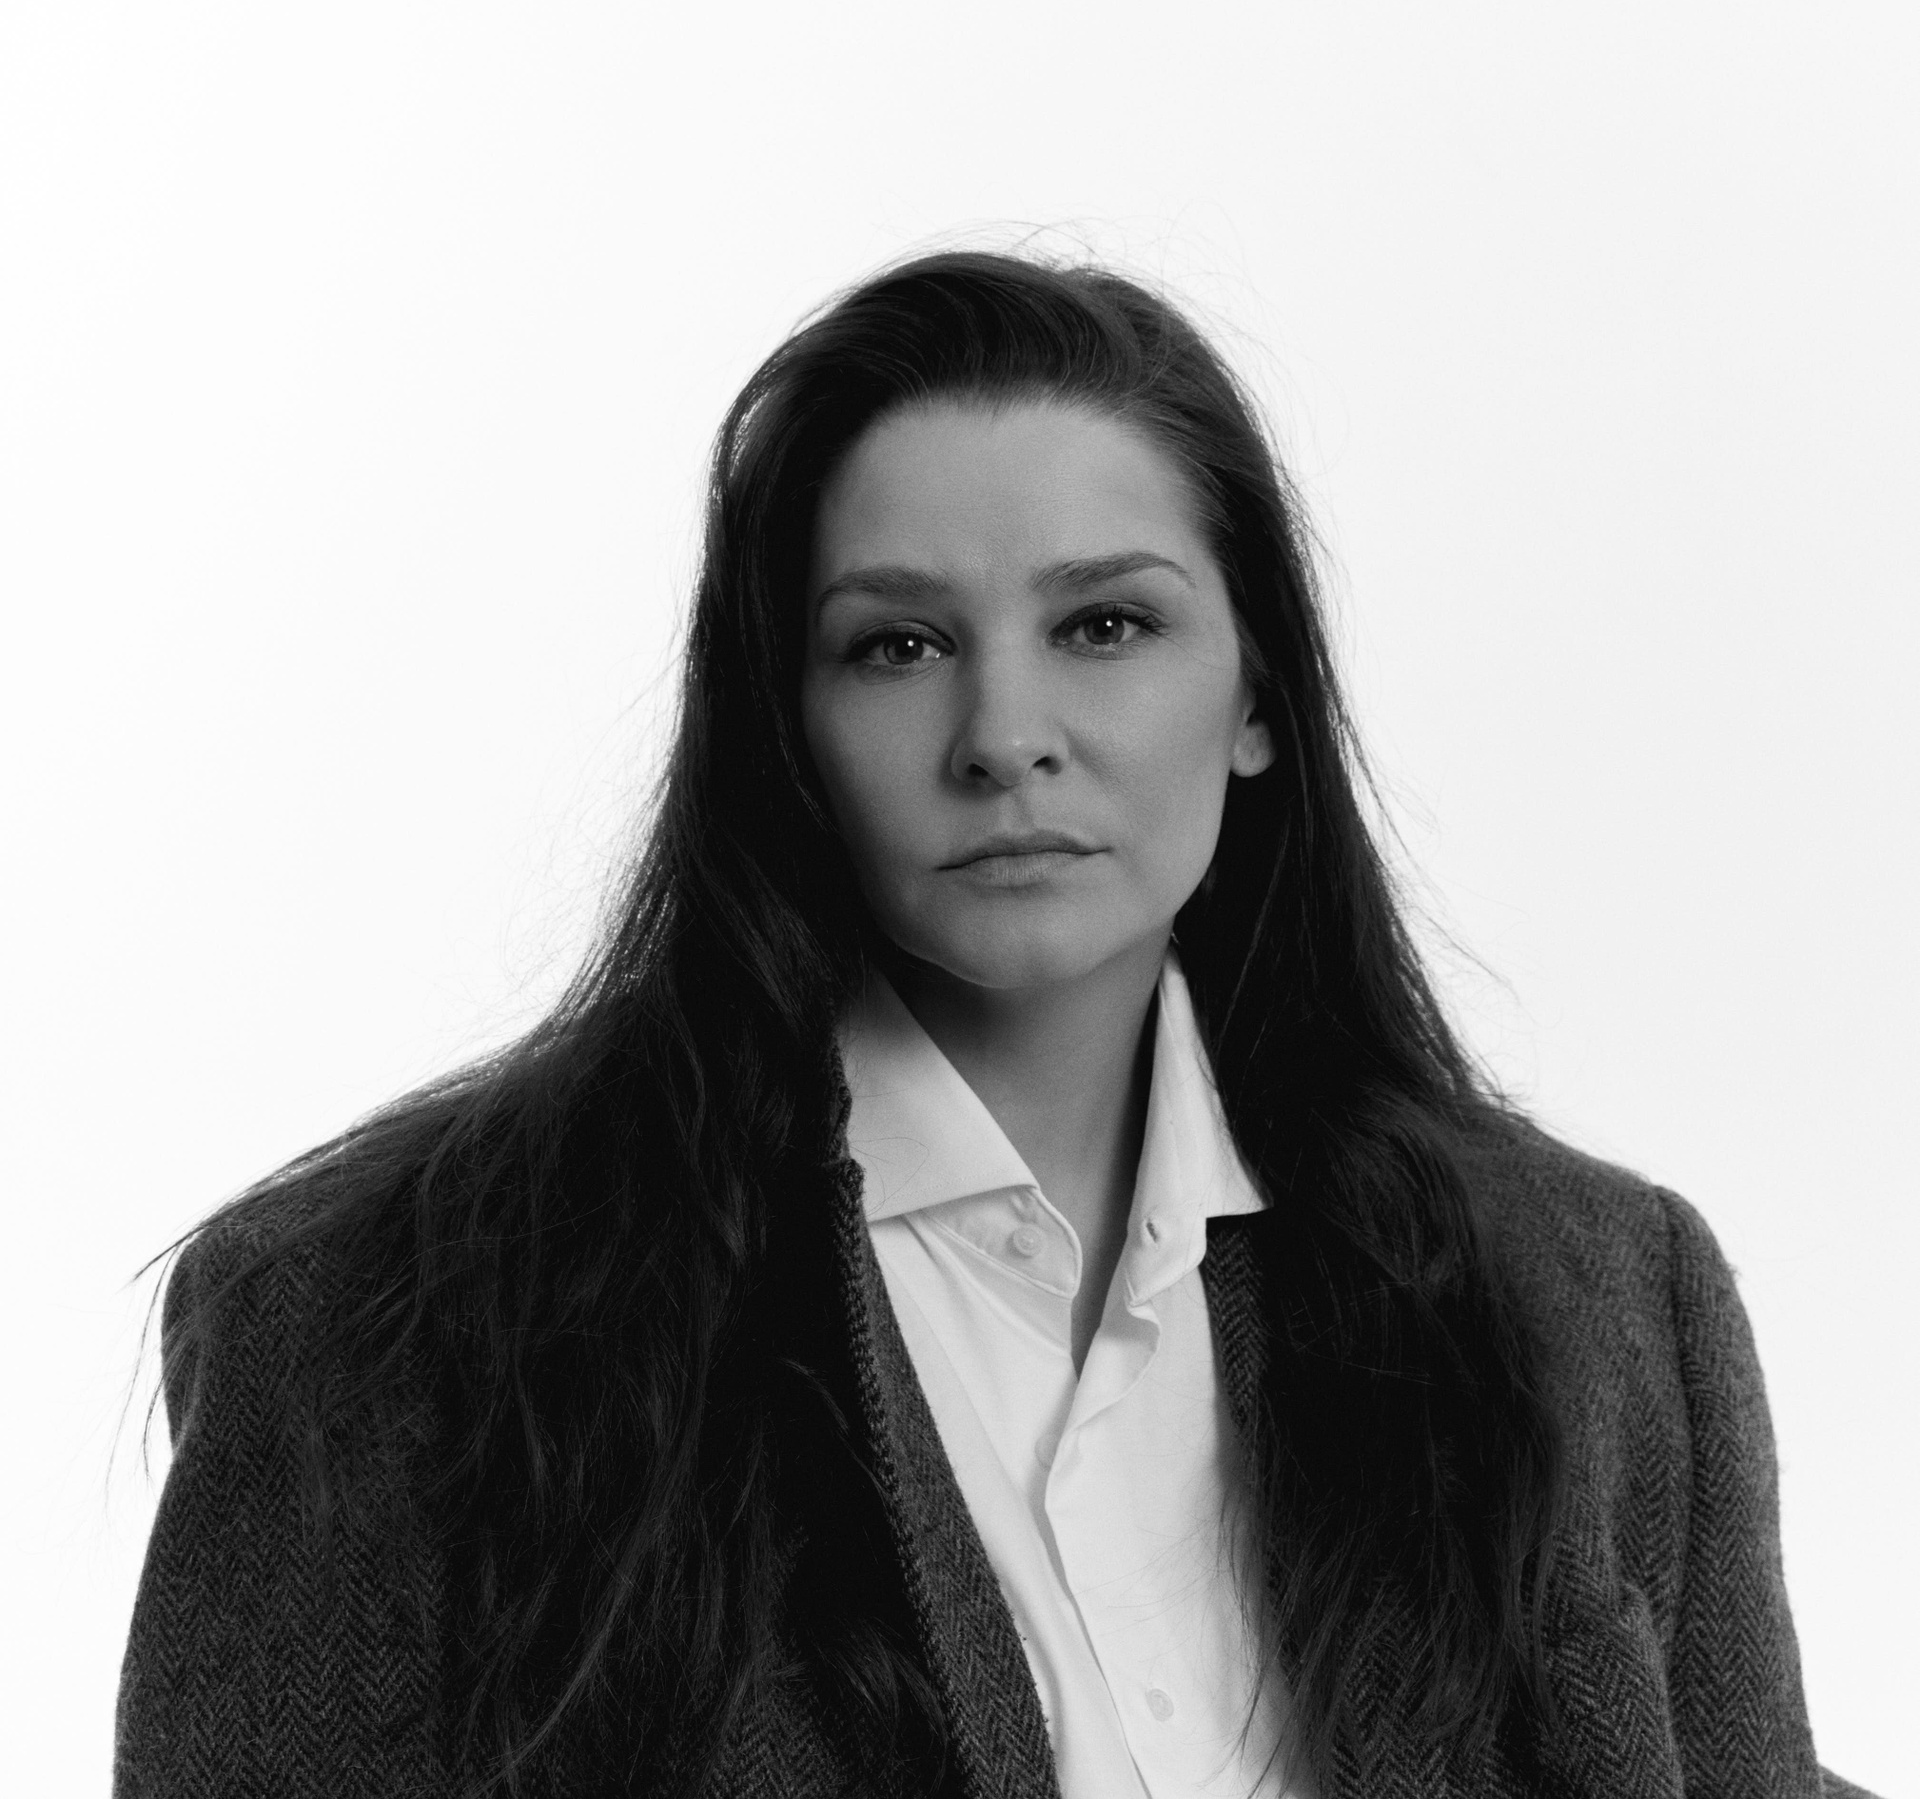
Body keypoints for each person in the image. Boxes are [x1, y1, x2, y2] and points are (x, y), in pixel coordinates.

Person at [114, 250, 1875, 1799]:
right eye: (896, 646)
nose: (1005, 733)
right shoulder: (396, 1330)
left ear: (1257, 700)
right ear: (781, 729)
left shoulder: (1593, 1298)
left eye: (1106, 624)